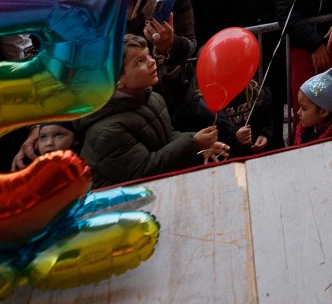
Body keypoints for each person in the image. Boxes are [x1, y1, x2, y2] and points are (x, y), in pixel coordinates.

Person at [78, 34, 226, 188]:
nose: (152, 61)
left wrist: (197, 143)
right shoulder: (106, 132)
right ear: (117, 81)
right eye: (140, 61)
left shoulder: (153, 98)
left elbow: (164, 137)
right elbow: (144, 171)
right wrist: (192, 143)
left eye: (148, 54)